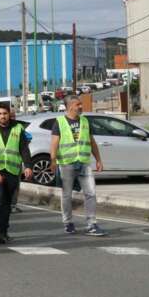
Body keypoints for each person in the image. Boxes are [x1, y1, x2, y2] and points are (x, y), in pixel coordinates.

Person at [49, 95, 107, 236]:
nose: (81, 107)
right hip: (66, 163)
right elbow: (54, 143)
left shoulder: (85, 121)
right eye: (78, 104)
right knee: (67, 195)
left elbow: (91, 142)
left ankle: (91, 224)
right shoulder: (60, 122)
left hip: (84, 162)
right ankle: (68, 222)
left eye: (81, 104)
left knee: (91, 193)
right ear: (70, 107)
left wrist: (98, 159)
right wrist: (53, 160)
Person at [0, 101, 32, 243]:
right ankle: (0, 232)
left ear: (9, 114)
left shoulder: (18, 128)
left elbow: (24, 148)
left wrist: (28, 166)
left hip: (12, 170)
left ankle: (3, 229)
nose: (2, 116)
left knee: (7, 202)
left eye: (5, 113)